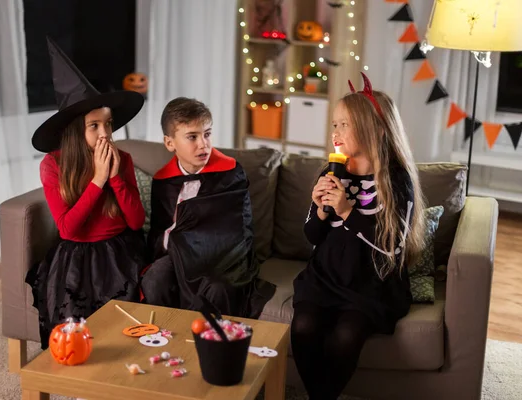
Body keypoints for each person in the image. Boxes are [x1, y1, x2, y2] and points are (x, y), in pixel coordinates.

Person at [291, 73, 426, 400]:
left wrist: (348, 211)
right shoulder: (331, 171)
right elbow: (312, 235)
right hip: (325, 277)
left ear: (376, 130)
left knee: (347, 335)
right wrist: (320, 208)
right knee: (303, 327)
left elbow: (392, 249)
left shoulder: (396, 182)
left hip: (371, 283)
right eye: (334, 124)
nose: (335, 133)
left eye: (344, 125)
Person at [26, 38, 147, 349]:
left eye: (108, 124)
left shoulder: (125, 159)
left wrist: (116, 178)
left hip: (120, 251)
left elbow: (135, 221)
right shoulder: (53, 165)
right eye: (94, 126)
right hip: (76, 255)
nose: (105, 133)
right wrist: (97, 180)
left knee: (125, 325)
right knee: (75, 329)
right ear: (76, 130)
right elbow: (67, 229)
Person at [140, 97, 275, 318]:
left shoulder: (230, 173)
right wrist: (175, 241)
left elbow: (238, 230)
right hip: (178, 257)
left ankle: (209, 344)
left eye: (207, 134)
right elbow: (160, 230)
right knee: (155, 279)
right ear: (170, 143)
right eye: (192, 137)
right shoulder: (163, 181)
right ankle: (164, 337)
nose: (203, 144)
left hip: (224, 258)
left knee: (218, 288)